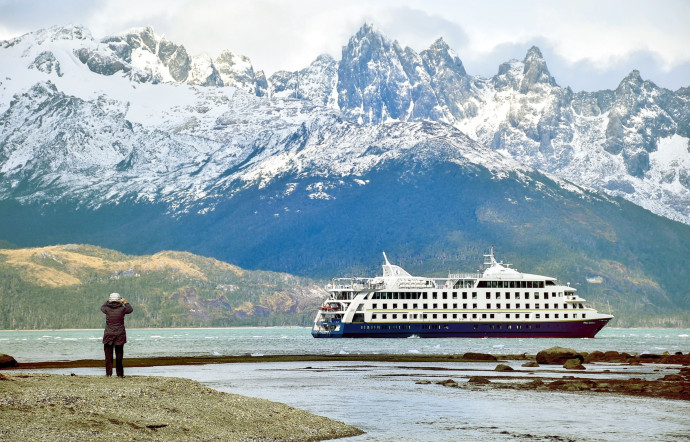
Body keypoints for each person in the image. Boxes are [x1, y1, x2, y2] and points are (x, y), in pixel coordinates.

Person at [101, 292, 133, 377]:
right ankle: (120, 374)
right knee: (119, 356)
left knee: (108, 356)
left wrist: (108, 301)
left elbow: (102, 307)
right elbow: (130, 309)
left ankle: (108, 374)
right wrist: (125, 302)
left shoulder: (107, 309)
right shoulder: (122, 309)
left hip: (108, 334)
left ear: (110, 300)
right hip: (120, 334)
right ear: (119, 300)